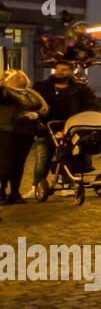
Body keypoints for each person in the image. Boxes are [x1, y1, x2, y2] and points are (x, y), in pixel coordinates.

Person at [30, 60, 99, 195]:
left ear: (72, 72)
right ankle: (37, 186)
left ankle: (67, 183)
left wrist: (82, 118)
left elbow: (92, 106)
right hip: (46, 129)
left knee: (68, 157)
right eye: (58, 69)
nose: (60, 72)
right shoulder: (41, 87)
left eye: (64, 70)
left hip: (70, 129)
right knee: (42, 157)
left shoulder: (81, 89)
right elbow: (34, 104)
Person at [0, 70, 47, 207]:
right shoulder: (5, 92)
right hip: (7, 131)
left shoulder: (30, 93)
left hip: (26, 132)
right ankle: (1, 192)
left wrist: (36, 114)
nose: (20, 77)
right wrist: (4, 83)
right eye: (16, 76)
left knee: (19, 164)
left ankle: (15, 192)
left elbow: (44, 108)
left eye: (22, 75)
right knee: (5, 164)